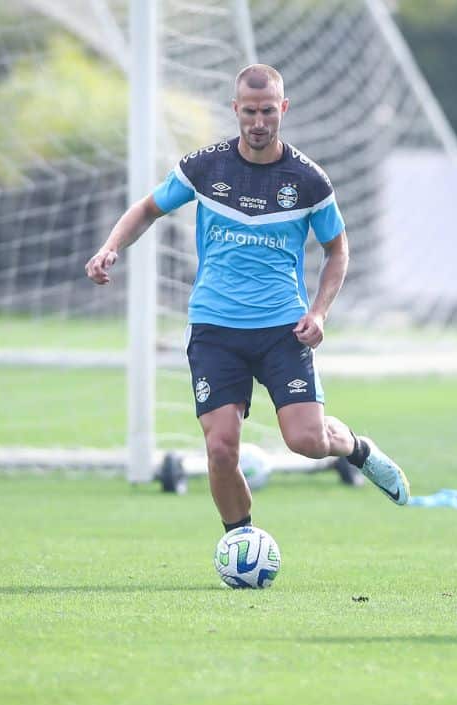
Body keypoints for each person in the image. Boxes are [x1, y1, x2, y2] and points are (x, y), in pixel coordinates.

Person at [85, 64, 410, 532]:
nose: (259, 122)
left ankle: (359, 449)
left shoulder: (309, 181)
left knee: (307, 442)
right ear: (235, 109)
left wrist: (319, 312)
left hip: (283, 330)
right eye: (251, 112)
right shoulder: (204, 167)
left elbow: (338, 249)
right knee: (220, 448)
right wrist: (110, 247)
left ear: (284, 109)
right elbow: (147, 209)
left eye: (269, 111)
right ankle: (241, 543)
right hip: (215, 330)